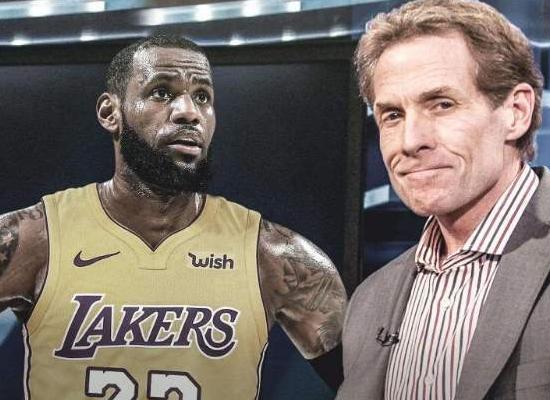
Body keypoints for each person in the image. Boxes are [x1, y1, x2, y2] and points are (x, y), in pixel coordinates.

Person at [0, 34, 347, 399]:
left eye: (203, 97)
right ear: (109, 113)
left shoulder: (277, 258)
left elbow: (369, 385)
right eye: (162, 92)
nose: (189, 112)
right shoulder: (34, 240)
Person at [337, 0, 550, 399]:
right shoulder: (368, 302)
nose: (410, 141)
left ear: (516, 112)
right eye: (392, 115)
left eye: (442, 105)